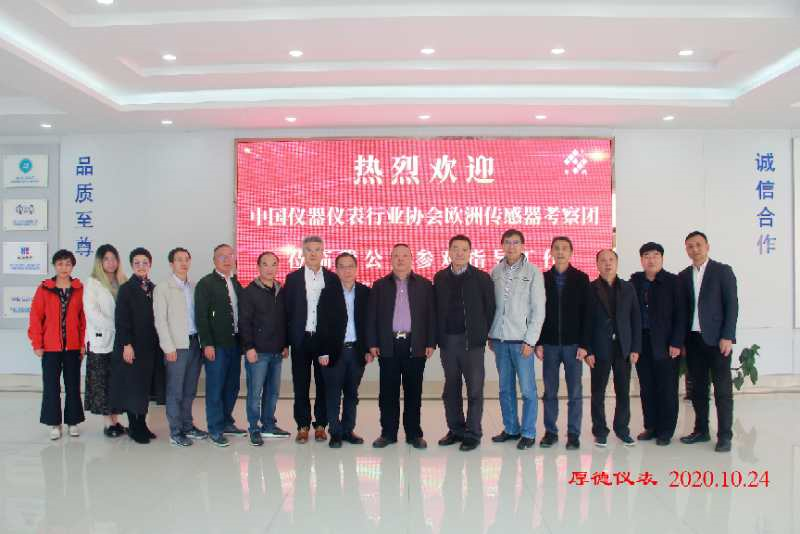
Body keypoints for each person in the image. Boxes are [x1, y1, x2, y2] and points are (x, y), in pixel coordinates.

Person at [367, 244, 436, 449]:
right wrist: (372, 342)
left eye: (405, 255)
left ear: (411, 258)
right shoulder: (380, 285)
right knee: (388, 393)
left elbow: (431, 316)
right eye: (396, 255)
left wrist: (431, 342)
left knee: (413, 392)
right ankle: (388, 433)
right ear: (390, 259)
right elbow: (371, 317)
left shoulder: (424, 285)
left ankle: (414, 434)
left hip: (416, 344)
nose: (400, 259)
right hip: (388, 345)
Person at [678, 231, 739, 453]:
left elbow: (732, 305)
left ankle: (725, 436)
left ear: (707, 246)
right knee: (698, 389)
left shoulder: (722, 271)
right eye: (690, 246)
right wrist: (681, 341)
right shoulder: (683, 276)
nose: (694, 249)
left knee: (722, 390)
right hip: (693, 341)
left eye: (698, 245)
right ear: (686, 250)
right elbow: (682, 311)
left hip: (717, 340)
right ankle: (701, 430)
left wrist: (727, 336)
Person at [434, 235, 495, 452]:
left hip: (473, 344)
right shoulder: (440, 277)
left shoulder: (482, 278)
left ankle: (473, 433)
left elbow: (490, 309)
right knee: (451, 389)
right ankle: (456, 430)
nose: (459, 253)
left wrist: (485, 335)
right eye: (455, 249)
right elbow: (435, 310)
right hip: (448, 342)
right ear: (449, 252)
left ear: (470, 252)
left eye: (464, 249)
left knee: (474, 390)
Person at [487, 229, 546, 450]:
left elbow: (538, 310)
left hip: (522, 342)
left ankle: (528, 432)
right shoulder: (495, 272)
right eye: (507, 242)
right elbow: (492, 307)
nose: (511, 246)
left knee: (528, 390)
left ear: (522, 246)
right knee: (505, 389)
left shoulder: (533, 272)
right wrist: (491, 334)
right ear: (502, 245)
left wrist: (531, 340)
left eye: (516, 242)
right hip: (500, 341)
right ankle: (511, 429)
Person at [536, 236, 592, 450]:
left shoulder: (581, 278)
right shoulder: (542, 278)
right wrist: (539, 342)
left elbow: (587, 314)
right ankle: (550, 432)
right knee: (550, 391)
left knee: (575, 392)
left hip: (573, 345)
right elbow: (537, 313)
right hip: (549, 345)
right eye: (557, 248)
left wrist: (585, 344)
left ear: (571, 252)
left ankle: (573, 434)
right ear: (551, 252)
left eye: (565, 248)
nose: (560, 252)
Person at [283, 236, 338, 443]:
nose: (313, 253)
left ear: (323, 253)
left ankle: (321, 425)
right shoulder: (293, 279)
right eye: (309, 250)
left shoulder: (332, 279)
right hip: (301, 339)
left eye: (317, 249)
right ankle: (303, 425)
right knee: (301, 384)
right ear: (303, 252)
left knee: (324, 383)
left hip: (323, 341)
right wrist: (285, 343)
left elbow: (335, 313)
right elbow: (286, 312)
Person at [630, 242, 685, 446]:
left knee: (667, 388)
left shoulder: (673, 282)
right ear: (641, 260)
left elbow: (681, 315)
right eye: (646, 256)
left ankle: (666, 430)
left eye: (655, 255)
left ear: (662, 258)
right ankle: (651, 426)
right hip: (642, 342)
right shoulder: (635, 281)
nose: (651, 260)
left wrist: (676, 342)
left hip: (666, 343)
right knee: (647, 387)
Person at [585, 249, 641, 447]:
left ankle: (622, 429)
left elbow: (635, 319)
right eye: (603, 260)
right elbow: (585, 322)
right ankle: (600, 431)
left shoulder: (628, 288)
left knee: (623, 391)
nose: (607, 263)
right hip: (599, 348)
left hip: (623, 348)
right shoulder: (590, 289)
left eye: (611, 260)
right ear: (597, 264)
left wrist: (635, 348)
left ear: (616, 263)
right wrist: (588, 350)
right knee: (598, 392)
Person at [28, 249, 86, 440]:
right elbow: (35, 317)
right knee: (51, 386)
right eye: (60, 264)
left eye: (68, 264)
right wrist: (37, 343)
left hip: (73, 347)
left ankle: (72, 422)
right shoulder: (44, 288)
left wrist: (83, 344)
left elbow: (83, 319)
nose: (64, 268)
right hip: (50, 348)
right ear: (54, 266)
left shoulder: (79, 289)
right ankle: (54, 423)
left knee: (73, 385)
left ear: (73, 266)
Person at [154, 247, 208, 448]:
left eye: (186, 259)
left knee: (190, 390)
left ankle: (188, 425)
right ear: (171, 264)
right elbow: (160, 320)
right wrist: (167, 347)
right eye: (179, 260)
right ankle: (175, 431)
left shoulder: (194, 287)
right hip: (176, 346)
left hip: (194, 343)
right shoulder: (163, 288)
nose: (183, 263)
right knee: (175, 390)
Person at [315, 252, 371, 448]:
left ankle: (348, 430)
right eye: (342, 267)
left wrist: (368, 349)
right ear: (336, 270)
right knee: (333, 395)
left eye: (350, 266)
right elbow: (321, 324)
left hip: (356, 351)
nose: (347, 271)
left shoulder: (365, 292)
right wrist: (322, 352)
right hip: (333, 352)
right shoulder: (327, 292)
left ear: (356, 269)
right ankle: (335, 432)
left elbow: (369, 324)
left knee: (352, 394)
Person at [195, 243, 245, 447]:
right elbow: (201, 316)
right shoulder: (206, 284)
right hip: (216, 346)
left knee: (232, 386)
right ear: (214, 260)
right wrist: (206, 343)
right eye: (221, 256)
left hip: (235, 344)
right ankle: (215, 428)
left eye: (230, 256)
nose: (226, 259)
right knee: (215, 388)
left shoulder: (235, 283)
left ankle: (226, 422)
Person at [238, 251, 291, 447]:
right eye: (265, 264)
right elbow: (244, 322)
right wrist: (248, 347)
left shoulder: (281, 290)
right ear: (258, 266)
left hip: (277, 351)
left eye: (273, 264)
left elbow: (284, 320)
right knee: (255, 393)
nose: (269, 268)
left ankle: (269, 424)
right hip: (257, 352)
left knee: (273, 392)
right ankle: (254, 428)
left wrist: (285, 344)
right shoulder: (249, 292)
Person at [111, 247, 161, 444]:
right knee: (133, 388)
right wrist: (126, 344)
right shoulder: (126, 289)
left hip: (149, 347)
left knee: (144, 388)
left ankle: (142, 424)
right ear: (132, 265)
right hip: (132, 346)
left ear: (150, 265)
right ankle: (134, 427)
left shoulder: (153, 288)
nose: (141, 266)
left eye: (145, 263)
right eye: (137, 263)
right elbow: (121, 319)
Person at [83, 244, 126, 438]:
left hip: (119, 341)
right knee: (103, 383)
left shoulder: (122, 281)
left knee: (116, 382)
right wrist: (118, 326)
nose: (111, 263)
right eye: (106, 259)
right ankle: (108, 423)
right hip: (101, 340)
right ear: (99, 262)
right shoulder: (93, 283)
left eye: (114, 258)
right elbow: (93, 313)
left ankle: (116, 420)